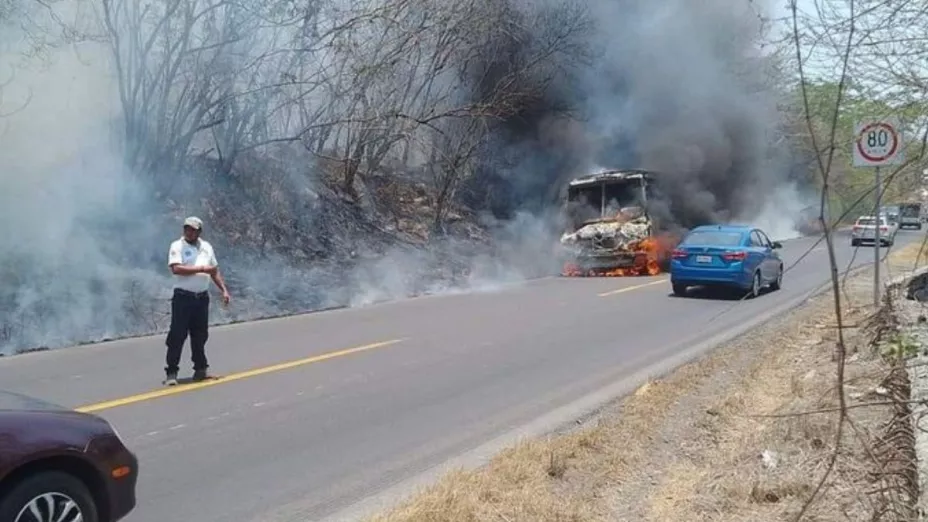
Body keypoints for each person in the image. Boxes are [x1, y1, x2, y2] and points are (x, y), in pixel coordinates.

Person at [163, 216, 231, 386]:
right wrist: (201, 269)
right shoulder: (177, 246)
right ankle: (172, 371)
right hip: (183, 296)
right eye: (187, 228)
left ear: (199, 231)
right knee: (177, 335)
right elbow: (176, 268)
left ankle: (200, 369)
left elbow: (214, 270)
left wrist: (223, 289)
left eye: (193, 229)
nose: (189, 232)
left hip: (201, 297)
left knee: (200, 335)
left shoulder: (206, 247)